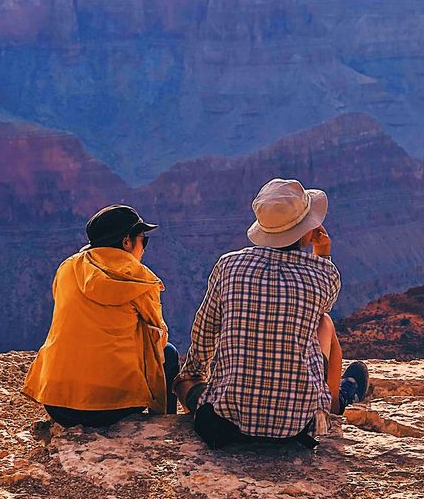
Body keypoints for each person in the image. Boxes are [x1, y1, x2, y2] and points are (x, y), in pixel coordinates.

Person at [174, 178, 371, 450]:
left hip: (223, 428)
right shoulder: (321, 273)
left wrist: (194, 374)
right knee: (324, 322)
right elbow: (321, 305)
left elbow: (206, 329)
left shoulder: (229, 266)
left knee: (186, 384)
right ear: (306, 229)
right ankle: (336, 401)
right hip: (298, 431)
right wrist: (323, 255)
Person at [23, 204, 180, 428]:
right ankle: (166, 425)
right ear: (127, 242)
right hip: (111, 407)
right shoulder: (139, 277)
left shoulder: (68, 268)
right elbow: (157, 337)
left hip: (57, 405)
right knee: (169, 353)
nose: (144, 248)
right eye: (143, 240)